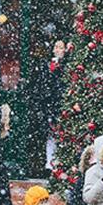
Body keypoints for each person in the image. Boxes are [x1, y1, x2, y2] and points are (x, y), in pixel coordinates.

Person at [36, 39, 67, 170]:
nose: (58, 50)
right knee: (51, 134)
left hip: (61, 103)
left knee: (61, 134)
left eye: (61, 48)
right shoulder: (46, 65)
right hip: (50, 104)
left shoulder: (67, 65)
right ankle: (50, 163)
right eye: (56, 47)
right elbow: (43, 83)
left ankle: (59, 162)